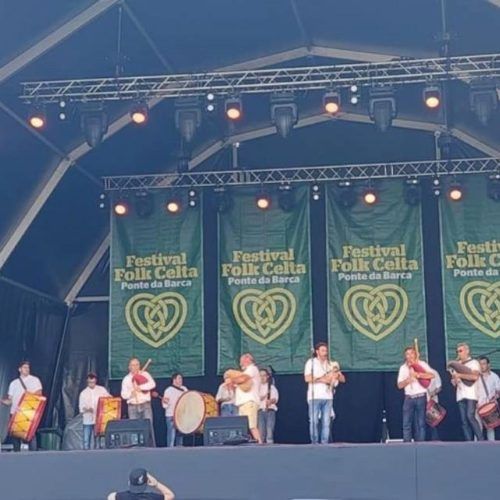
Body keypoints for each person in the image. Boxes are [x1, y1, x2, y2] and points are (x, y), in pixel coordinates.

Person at [304, 342, 345, 444]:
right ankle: (314, 442)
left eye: (326, 351)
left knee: (326, 422)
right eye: (322, 350)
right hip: (315, 396)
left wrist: (337, 375)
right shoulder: (311, 362)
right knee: (314, 421)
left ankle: (324, 443)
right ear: (317, 352)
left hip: (328, 397)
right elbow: (307, 378)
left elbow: (343, 379)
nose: (325, 353)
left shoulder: (331, 364)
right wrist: (323, 380)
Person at [0, 360, 42, 451]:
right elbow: (10, 401)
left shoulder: (34, 380)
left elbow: (39, 393)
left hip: (28, 411)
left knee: (31, 434)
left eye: (28, 367)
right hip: (15, 412)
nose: (27, 369)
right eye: (25, 367)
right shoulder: (13, 383)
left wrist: (29, 396)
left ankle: (33, 454)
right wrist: (2, 401)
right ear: (19, 369)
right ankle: (17, 455)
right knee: (15, 434)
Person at [397, 346, 434, 443]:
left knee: (420, 423)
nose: (409, 356)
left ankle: (420, 445)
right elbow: (399, 385)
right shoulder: (403, 368)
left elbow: (431, 375)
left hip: (421, 396)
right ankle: (407, 445)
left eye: (411, 353)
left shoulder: (422, 364)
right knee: (406, 423)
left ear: (415, 354)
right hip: (409, 397)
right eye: (407, 354)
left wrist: (418, 375)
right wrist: (408, 379)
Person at [225, 353, 262, 444]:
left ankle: (260, 443)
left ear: (247, 360)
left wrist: (232, 379)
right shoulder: (246, 371)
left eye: (242, 361)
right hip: (243, 403)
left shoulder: (252, 368)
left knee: (252, 425)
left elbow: (243, 379)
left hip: (249, 401)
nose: (240, 363)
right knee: (244, 426)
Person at [450, 343, 484, 441]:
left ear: (467, 351)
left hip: (471, 394)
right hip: (460, 395)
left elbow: (474, 377)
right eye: (457, 351)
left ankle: (481, 440)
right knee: (464, 421)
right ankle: (469, 443)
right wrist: (454, 380)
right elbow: (454, 382)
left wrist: (460, 375)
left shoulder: (474, 363)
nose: (459, 353)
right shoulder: (457, 364)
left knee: (470, 416)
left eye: (460, 351)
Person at [78, 372, 110, 450]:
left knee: (98, 438)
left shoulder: (101, 390)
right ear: (87, 382)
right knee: (86, 439)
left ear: (95, 381)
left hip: (99, 419)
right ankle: (85, 453)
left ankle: (98, 452)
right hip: (88, 419)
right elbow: (81, 408)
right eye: (89, 382)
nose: (91, 384)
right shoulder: (83, 393)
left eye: (93, 382)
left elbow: (108, 399)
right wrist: (87, 409)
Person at [120, 358, 156, 422]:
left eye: (137, 365)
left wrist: (141, 387)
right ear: (129, 367)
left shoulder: (145, 374)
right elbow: (123, 395)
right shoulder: (126, 379)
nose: (135, 367)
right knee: (135, 428)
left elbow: (152, 384)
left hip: (145, 405)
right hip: (132, 406)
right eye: (133, 365)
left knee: (148, 426)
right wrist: (131, 394)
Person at [107, 468, 175, 500]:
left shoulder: (121, 497)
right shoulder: (152, 497)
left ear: (129, 482)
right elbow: (170, 495)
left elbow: (110, 497)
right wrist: (156, 484)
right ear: (146, 483)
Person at [477, 356, 500, 441]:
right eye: (480, 364)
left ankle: (491, 446)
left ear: (488, 365)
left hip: (490, 406)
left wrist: (495, 398)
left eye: (483, 364)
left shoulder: (494, 377)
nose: (482, 366)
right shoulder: (476, 377)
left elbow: (498, 390)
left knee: (490, 428)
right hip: (478, 405)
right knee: (478, 428)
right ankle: (475, 447)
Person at [162, 373, 187, 447]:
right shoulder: (168, 391)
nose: (181, 380)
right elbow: (165, 406)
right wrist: (165, 402)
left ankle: (180, 449)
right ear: (174, 380)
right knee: (171, 434)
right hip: (171, 415)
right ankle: (170, 450)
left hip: (181, 415)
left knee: (180, 434)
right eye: (179, 378)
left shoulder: (184, 389)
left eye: (181, 378)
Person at [258, 368, 279, 444]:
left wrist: (270, 401)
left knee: (269, 431)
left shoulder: (271, 387)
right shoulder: (257, 387)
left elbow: (275, 398)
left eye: (264, 376)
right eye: (260, 376)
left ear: (267, 377)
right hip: (260, 411)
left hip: (270, 411)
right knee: (261, 432)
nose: (262, 378)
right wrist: (263, 396)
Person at [425, 368, 442, 441]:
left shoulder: (434, 372)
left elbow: (439, 387)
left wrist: (433, 393)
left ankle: (434, 440)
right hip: (420, 401)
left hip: (432, 401)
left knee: (434, 423)